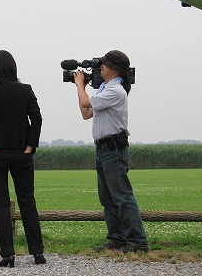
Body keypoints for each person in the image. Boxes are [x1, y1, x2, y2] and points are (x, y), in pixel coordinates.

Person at [0, 50, 46, 267]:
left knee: (1, 205)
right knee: (27, 201)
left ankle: (8, 255)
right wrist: (30, 146)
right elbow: (37, 118)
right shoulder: (25, 90)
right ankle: (37, 253)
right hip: (21, 153)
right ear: (12, 67)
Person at [73, 50, 149, 253]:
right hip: (104, 149)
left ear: (114, 69)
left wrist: (81, 85)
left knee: (122, 196)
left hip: (113, 149)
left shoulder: (115, 91)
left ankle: (138, 241)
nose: (100, 67)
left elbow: (85, 103)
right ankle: (118, 239)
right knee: (107, 198)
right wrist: (81, 88)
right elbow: (86, 113)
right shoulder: (105, 89)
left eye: (104, 64)